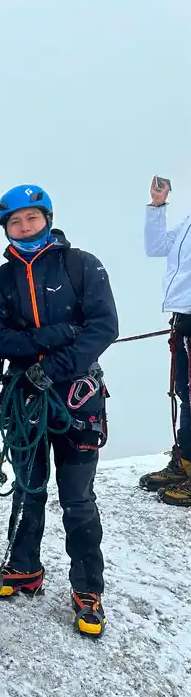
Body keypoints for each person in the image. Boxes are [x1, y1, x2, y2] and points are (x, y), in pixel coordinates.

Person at [0, 184, 118, 638]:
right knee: (29, 488)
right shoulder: (0, 280)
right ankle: (24, 568)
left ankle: (87, 589)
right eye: (15, 222)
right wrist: (56, 334)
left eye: (31, 219)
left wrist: (53, 364)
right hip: (26, 399)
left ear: (48, 219)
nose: (24, 227)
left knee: (77, 498)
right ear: (6, 228)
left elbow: (103, 327)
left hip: (77, 397)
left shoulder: (82, 265)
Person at [139, 177, 191, 505]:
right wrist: (157, 205)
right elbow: (155, 246)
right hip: (183, 317)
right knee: (187, 392)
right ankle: (186, 463)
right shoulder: (187, 225)